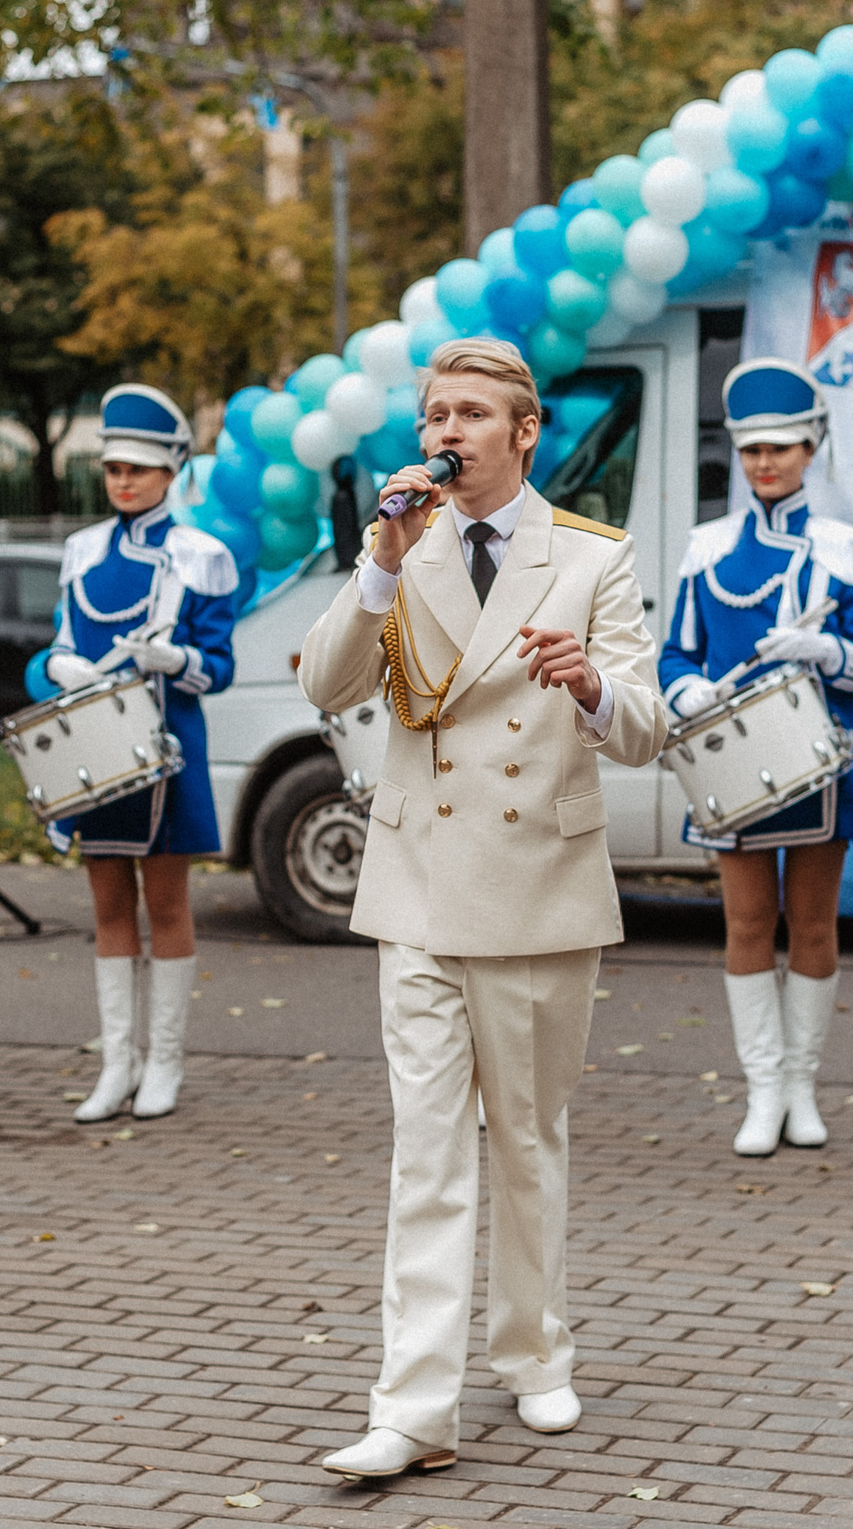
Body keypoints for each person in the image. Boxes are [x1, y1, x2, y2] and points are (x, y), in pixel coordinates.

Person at [298, 337, 670, 1480]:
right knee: (425, 1152)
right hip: (415, 887)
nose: (443, 433)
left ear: (525, 431)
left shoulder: (591, 557)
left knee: (528, 1136)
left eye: (468, 414)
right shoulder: (398, 550)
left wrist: (592, 683)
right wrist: (375, 569)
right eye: (431, 415)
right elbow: (325, 685)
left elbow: (652, 725)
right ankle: (412, 1405)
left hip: (541, 891)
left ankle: (533, 1348)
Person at [658, 359, 853, 1158]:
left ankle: (802, 1086)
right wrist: (684, 690)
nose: (765, 464)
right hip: (730, 760)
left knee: (814, 922)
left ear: (810, 448)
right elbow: (675, 653)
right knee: (749, 920)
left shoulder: (844, 550)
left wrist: (825, 647)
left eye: (782, 448)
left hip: (819, 761)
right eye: (753, 449)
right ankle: (762, 1091)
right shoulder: (706, 547)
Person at [23, 384, 236, 1122]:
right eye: (114, 467)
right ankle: (118, 1062)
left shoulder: (201, 556)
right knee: (108, 904)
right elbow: (52, 647)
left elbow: (221, 667)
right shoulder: (81, 550)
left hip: (166, 753)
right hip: (94, 752)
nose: (123, 480)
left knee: (167, 904)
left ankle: (166, 1063)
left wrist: (175, 660)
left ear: (172, 470)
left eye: (139, 469)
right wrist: (57, 668)